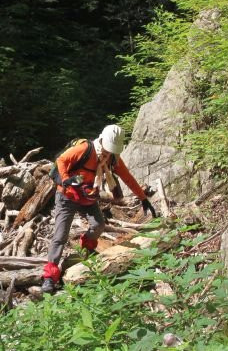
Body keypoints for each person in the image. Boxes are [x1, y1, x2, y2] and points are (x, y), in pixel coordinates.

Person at [41, 124, 157, 294]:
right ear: (101, 140)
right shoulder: (85, 149)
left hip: (87, 196)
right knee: (60, 236)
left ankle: (85, 251)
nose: (108, 152)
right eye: (108, 148)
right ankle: (49, 277)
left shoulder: (113, 159)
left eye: (112, 150)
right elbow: (61, 160)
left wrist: (143, 198)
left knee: (98, 226)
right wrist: (66, 179)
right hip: (67, 196)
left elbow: (128, 178)